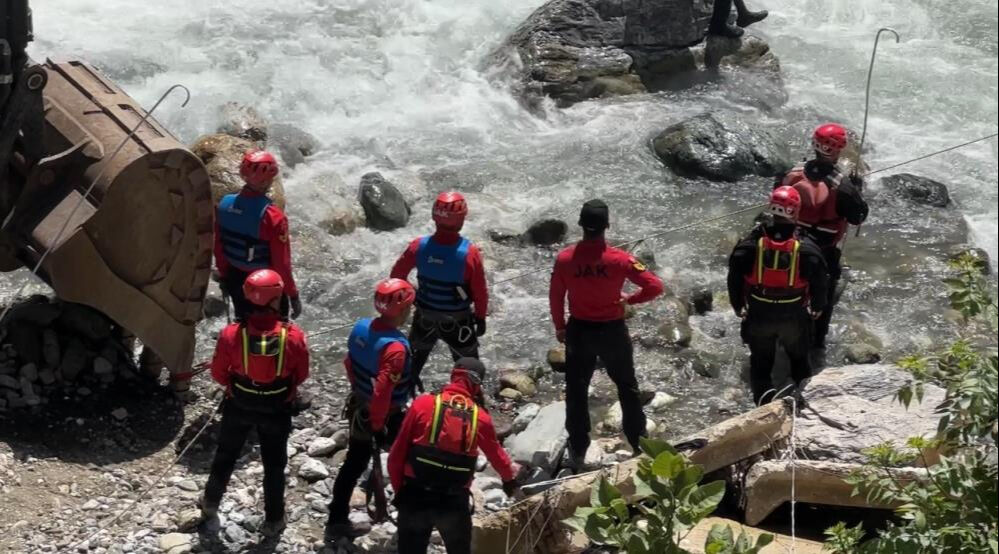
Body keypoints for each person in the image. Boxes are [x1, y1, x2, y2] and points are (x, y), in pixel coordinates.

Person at [549, 199, 664, 469]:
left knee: (577, 390)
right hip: (612, 331)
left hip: (579, 331)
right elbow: (655, 286)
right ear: (606, 226)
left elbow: (556, 295)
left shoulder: (565, 259)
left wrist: (560, 326)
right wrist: (629, 300)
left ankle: (578, 448)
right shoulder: (621, 259)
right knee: (627, 386)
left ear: (581, 226)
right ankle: (639, 443)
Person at [200, 269, 310, 537]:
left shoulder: (230, 334)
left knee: (225, 456)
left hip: (239, 404)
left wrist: (235, 385)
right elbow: (302, 374)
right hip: (276, 410)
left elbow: (218, 373)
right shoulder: (293, 336)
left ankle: (210, 504)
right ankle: (274, 519)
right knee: (274, 465)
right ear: (275, 300)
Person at [388, 358, 521, 554]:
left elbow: (395, 457)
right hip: (453, 502)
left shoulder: (422, 404)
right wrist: (509, 480)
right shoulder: (480, 418)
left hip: (415, 495)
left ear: (453, 376)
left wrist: (400, 491)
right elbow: (497, 455)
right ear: (477, 386)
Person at [326, 278, 417, 542]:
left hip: (360, 407)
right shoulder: (396, 348)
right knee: (411, 459)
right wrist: (378, 423)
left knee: (353, 463)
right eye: (408, 307)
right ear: (401, 310)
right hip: (385, 415)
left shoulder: (360, 327)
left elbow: (349, 363)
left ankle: (336, 518)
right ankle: (412, 517)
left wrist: (359, 391)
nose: (410, 312)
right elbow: (383, 392)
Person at [727, 187, 829, 404]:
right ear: (796, 211)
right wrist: (818, 307)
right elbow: (821, 282)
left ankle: (763, 408)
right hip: (794, 315)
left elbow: (734, 278)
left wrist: (738, 306)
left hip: (759, 313)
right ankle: (805, 406)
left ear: (770, 208)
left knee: (761, 366)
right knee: (800, 362)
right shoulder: (807, 248)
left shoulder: (750, 246)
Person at [777, 123, 869, 347]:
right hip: (824, 251)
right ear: (838, 150)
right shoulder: (843, 186)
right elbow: (858, 216)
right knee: (824, 294)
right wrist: (857, 188)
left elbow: (777, 198)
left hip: (790, 242)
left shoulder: (791, 173)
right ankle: (817, 341)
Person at [390, 191, 488, 392]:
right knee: (469, 367)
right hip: (458, 322)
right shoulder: (469, 253)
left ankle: (401, 400)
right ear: (461, 219)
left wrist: (414, 296)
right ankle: (472, 402)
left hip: (424, 317)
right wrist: (480, 317)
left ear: (435, 216)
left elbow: (397, 276)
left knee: (412, 365)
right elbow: (480, 292)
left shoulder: (419, 246)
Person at [214, 149, 302, 322]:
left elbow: (219, 246)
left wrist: (224, 276)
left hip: (236, 279)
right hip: (267, 284)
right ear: (266, 181)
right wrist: (293, 295)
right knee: (276, 329)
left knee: (243, 324)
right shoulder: (273, 217)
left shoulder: (223, 205)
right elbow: (281, 263)